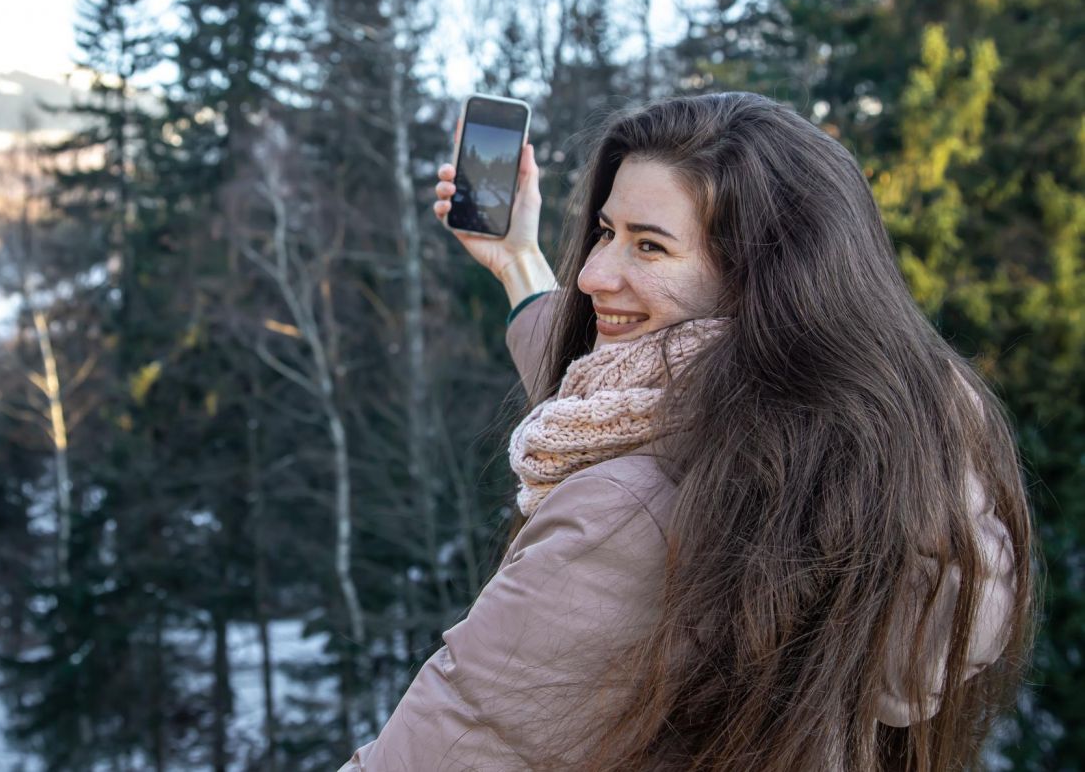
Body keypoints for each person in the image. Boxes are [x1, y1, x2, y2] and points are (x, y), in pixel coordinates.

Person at [339, 92, 1035, 771]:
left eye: (649, 246)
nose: (590, 273)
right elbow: (619, 390)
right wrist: (518, 263)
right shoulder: (884, 450)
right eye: (607, 232)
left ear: (760, 279)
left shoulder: (624, 520)